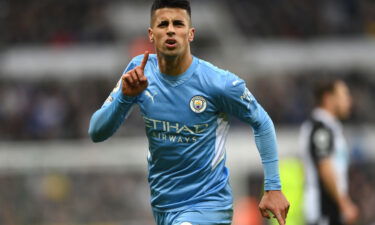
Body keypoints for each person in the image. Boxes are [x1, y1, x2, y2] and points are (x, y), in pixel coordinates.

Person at [89, 0, 289, 224]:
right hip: (164, 207)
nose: (171, 30)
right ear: (151, 34)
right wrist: (125, 98)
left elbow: (262, 122)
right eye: (163, 24)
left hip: (207, 204)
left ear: (191, 33)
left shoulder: (218, 82)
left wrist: (273, 186)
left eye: (178, 24)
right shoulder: (140, 71)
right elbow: (96, 131)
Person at [300, 79, 359, 225]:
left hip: (330, 209)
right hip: (323, 209)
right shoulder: (321, 129)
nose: (349, 100)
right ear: (328, 98)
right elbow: (324, 167)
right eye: (344, 95)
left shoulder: (329, 128)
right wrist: (344, 204)